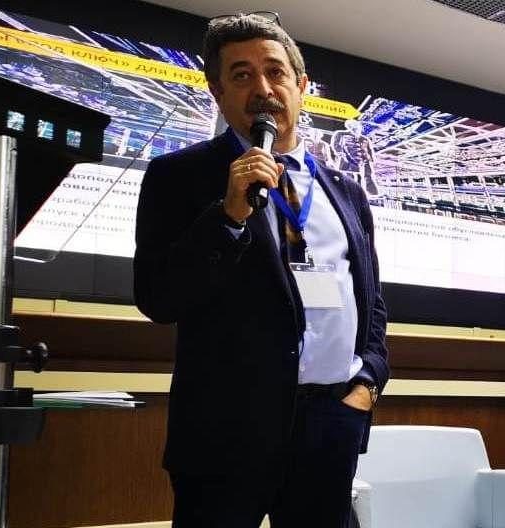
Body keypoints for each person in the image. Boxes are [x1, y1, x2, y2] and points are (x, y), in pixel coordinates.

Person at [133, 12, 388, 527]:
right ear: (218, 91)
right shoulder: (177, 176)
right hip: (225, 436)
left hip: (330, 424)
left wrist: (367, 382)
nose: (263, 89)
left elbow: (371, 303)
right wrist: (227, 216)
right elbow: (158, 296)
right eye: (242, 75)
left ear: (301, 86)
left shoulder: (347, 193)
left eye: (275, 72)